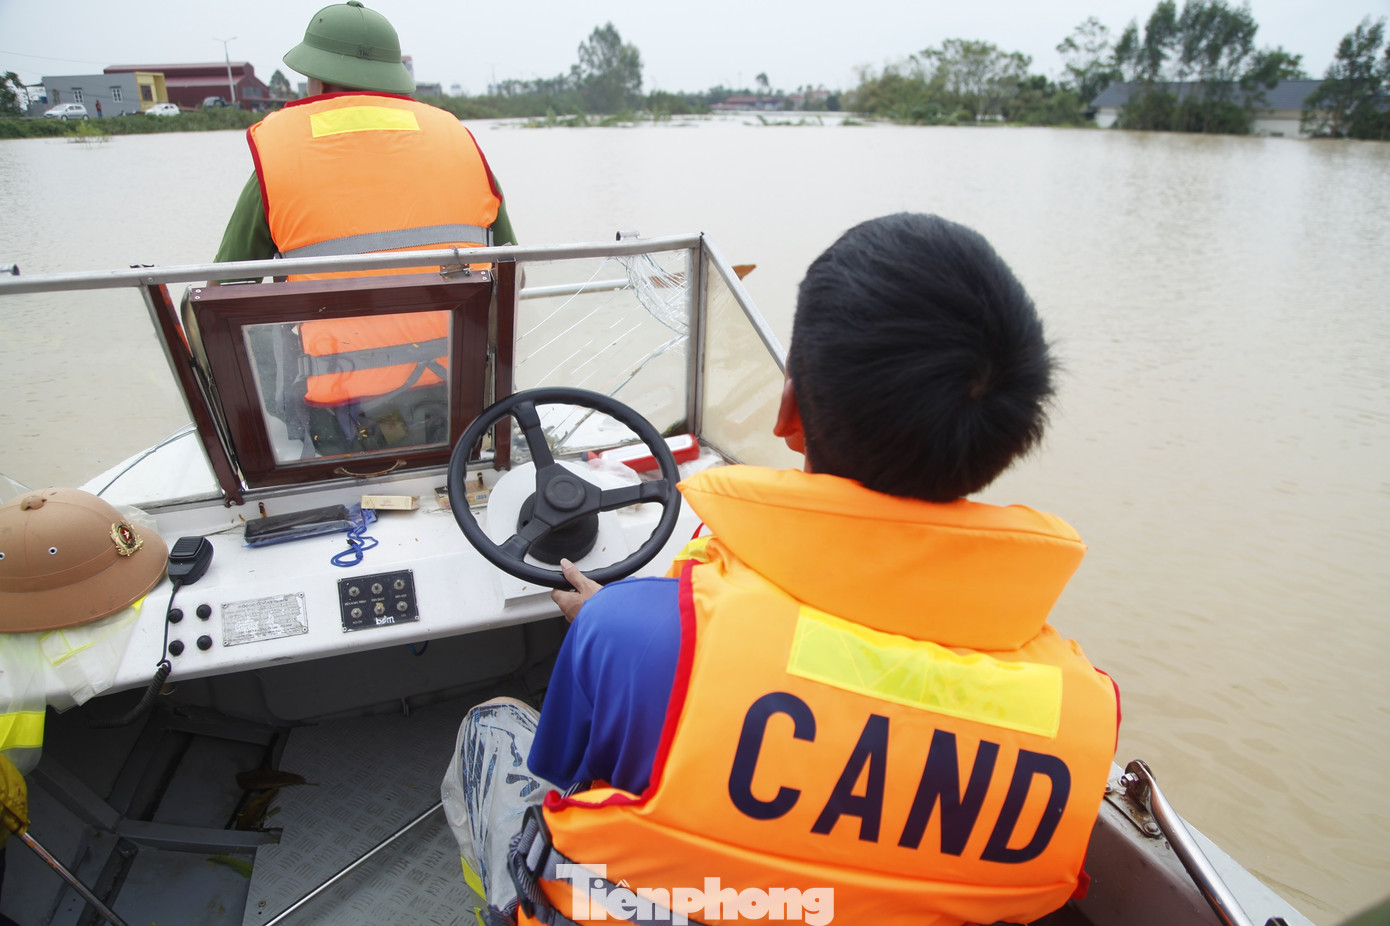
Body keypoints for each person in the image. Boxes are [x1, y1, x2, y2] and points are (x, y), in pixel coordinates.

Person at [442, 213, 1121, 926]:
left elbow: (567, 786)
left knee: (492, 726)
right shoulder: (1079, 713)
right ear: (1011, 437)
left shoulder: (634, 636)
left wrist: (603, 628)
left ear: (789, 407)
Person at [213, 0, 516, 275]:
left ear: (317, 83)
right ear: (392, 77)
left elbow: (225, 289)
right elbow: (513, 269)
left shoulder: (279, 159)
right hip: (460, 337)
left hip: (333, 338)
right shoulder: (458, 143)